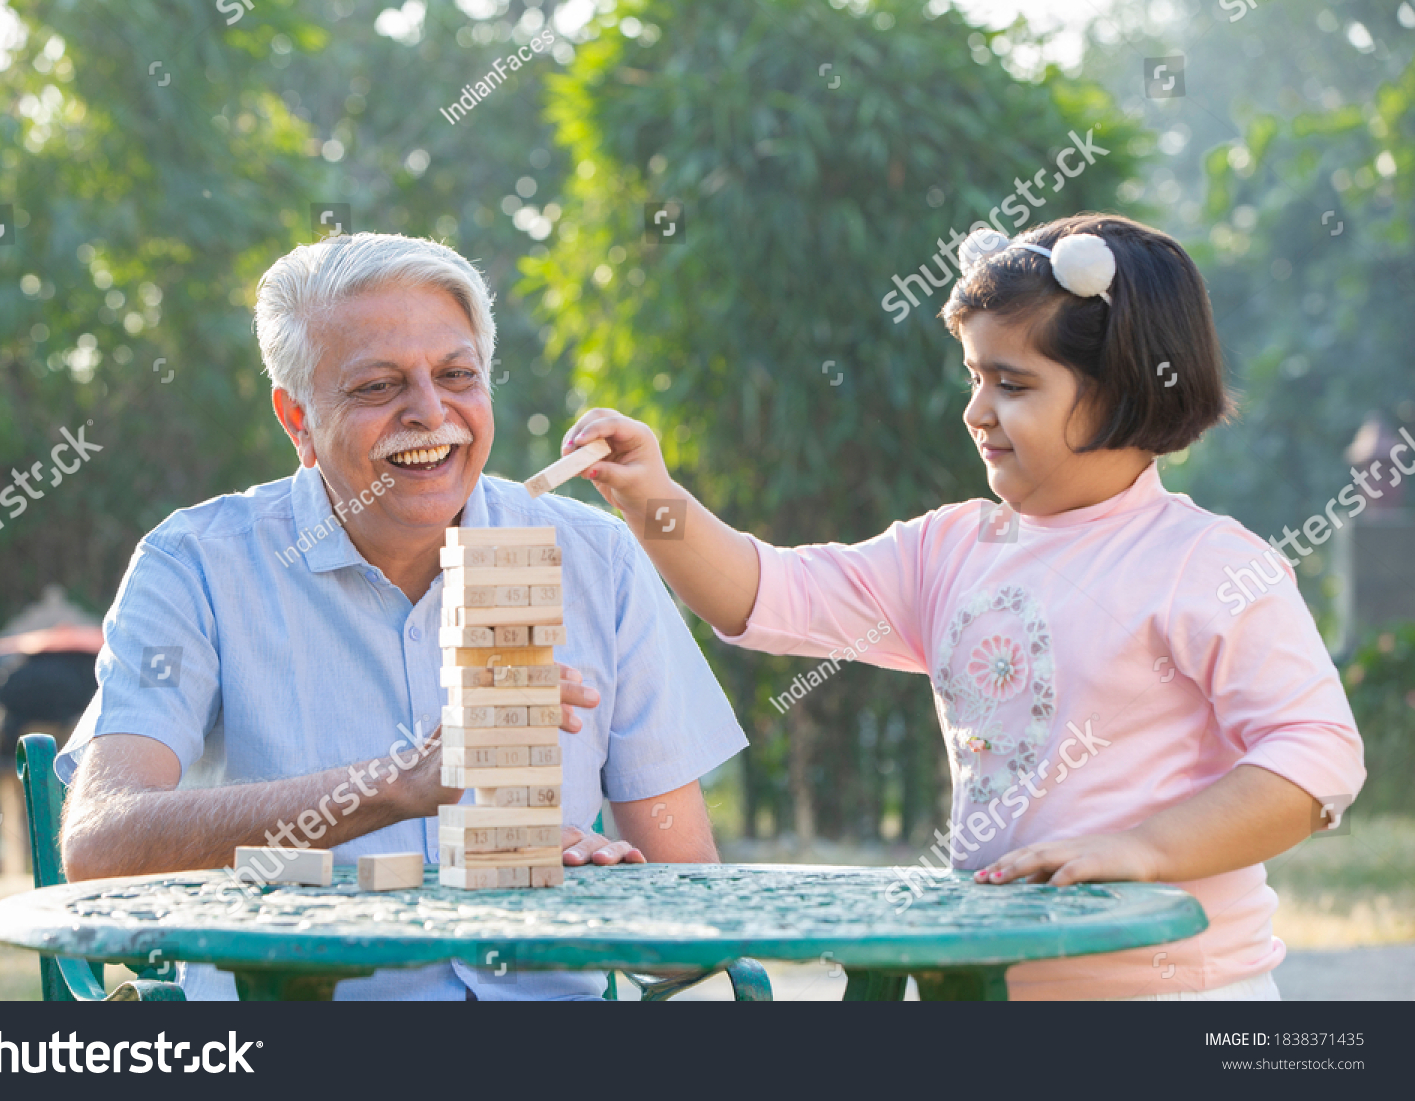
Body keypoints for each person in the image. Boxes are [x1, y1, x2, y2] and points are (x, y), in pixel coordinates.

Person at [560, 213, 1365, 1001]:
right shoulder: (950, 548)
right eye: (975, 377)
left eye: (1012, 384)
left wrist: (1146, 847)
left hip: (1174, 992)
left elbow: (1316, 754)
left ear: (1123, 387)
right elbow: (768, 593)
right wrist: (652, 498)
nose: (976, 411)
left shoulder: (1209, 564)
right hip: (981, 986)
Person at [57, 233, 746, 1001]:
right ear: (298, 421)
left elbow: (691, 939)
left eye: (458, 376)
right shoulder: (198, 563)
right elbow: (100, 846)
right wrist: (395, 785)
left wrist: (609, 896)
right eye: (378, 387)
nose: (431, 413)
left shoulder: (598, 558)